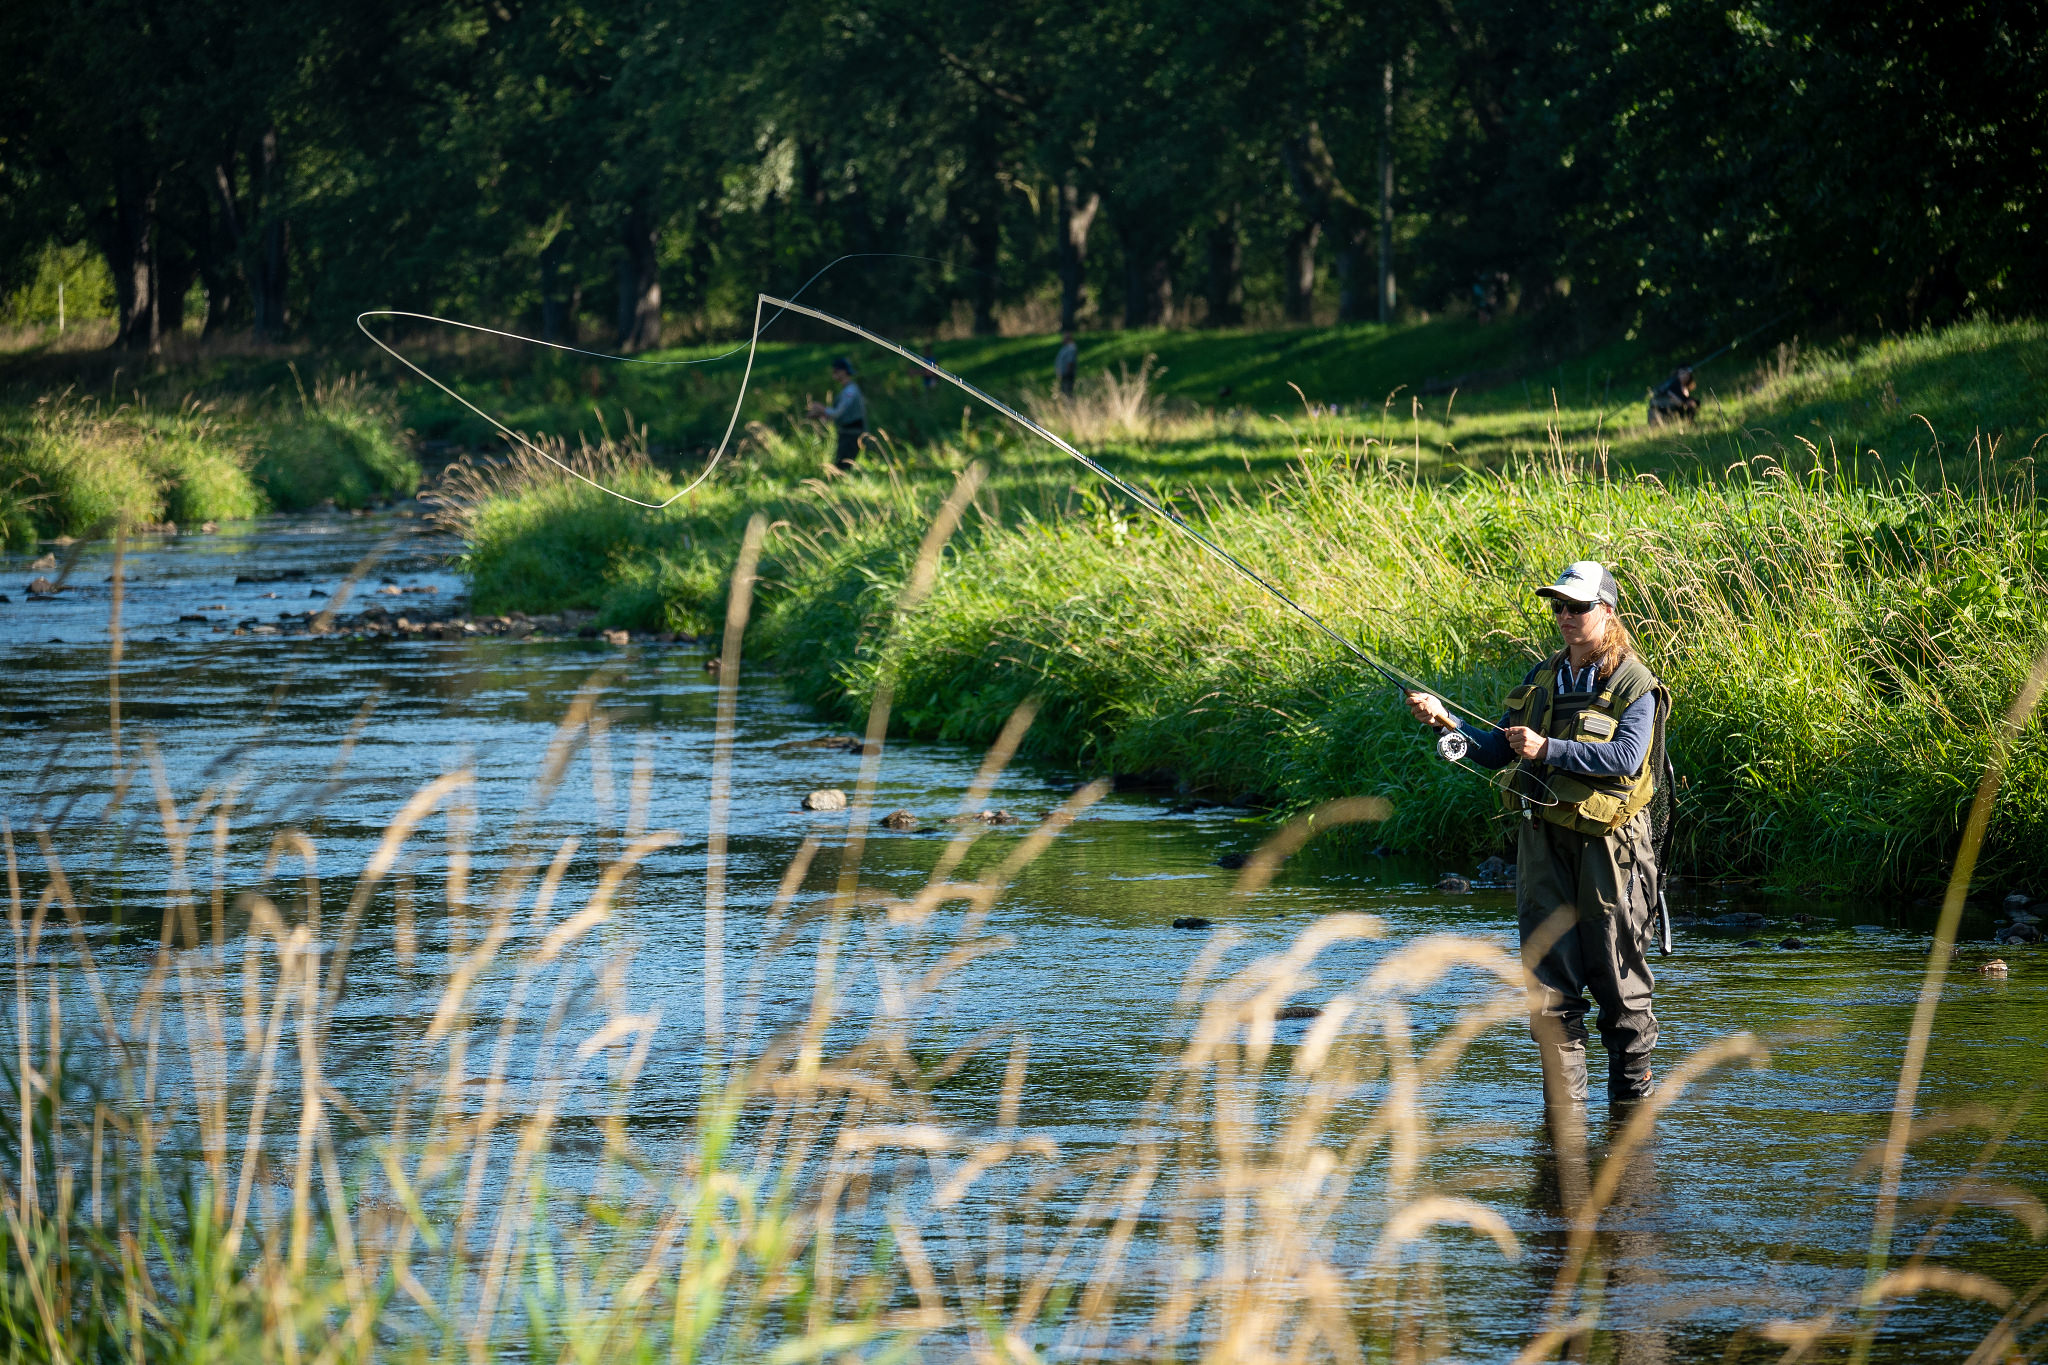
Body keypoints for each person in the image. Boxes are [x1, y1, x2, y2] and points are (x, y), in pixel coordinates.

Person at [1405, 561, 1672, 1107]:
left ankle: (1630, 1111)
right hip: (1543, 843)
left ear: (1607, 612)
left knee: (1617, 980)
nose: (1566, 617)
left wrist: (1547, 749)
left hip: (1611, 848)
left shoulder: (1635, 685)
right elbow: (1501, 748)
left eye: (1578, 607)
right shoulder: (1542, 677)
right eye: (1559, 607)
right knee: (1550, 986)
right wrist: (1446, 723)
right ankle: (1564, 1124)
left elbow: (1626, 758)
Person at [807, 357, 866, 469]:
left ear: (843, 372)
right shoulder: (847, 389)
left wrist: (822, 409)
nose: (834, 374)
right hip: (846, 432)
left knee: (843, 465)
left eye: (836, 371)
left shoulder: (850, 391)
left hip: (852, 433)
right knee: (842, 463)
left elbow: (838, 412)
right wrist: (821, 414)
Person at [1054, 331, 1079, 399]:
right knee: (1064, 392)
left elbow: (1070, 362)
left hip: (1067, 375)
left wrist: (1067, 373)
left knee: (1067, 393)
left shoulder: (1071, 348)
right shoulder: (1067, 348)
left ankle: (1070, 407)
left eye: (1064, 338)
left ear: (1068, 339)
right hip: (1065, 374)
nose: (1062, 340)